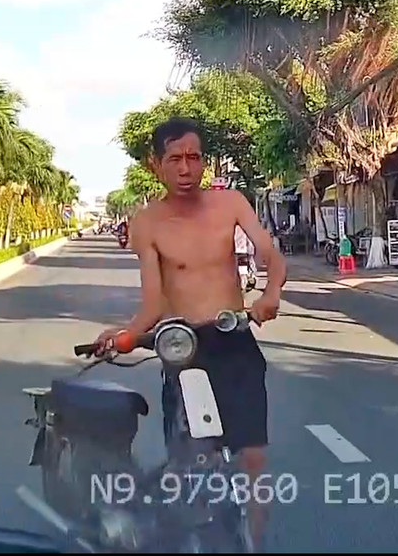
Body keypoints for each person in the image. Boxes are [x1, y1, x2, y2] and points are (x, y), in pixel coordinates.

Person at [92, 117, 286, 548]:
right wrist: (125, 335)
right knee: (191, 464)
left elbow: (270, 256)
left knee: (253, 458)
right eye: (175, 159)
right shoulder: (146, 224)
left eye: (194, 158)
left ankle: (253, 544)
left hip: (234, 341)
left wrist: (270, 294)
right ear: (155, 164)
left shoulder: (230, 203)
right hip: (184, 350)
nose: (186, 169)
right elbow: (153, 304)